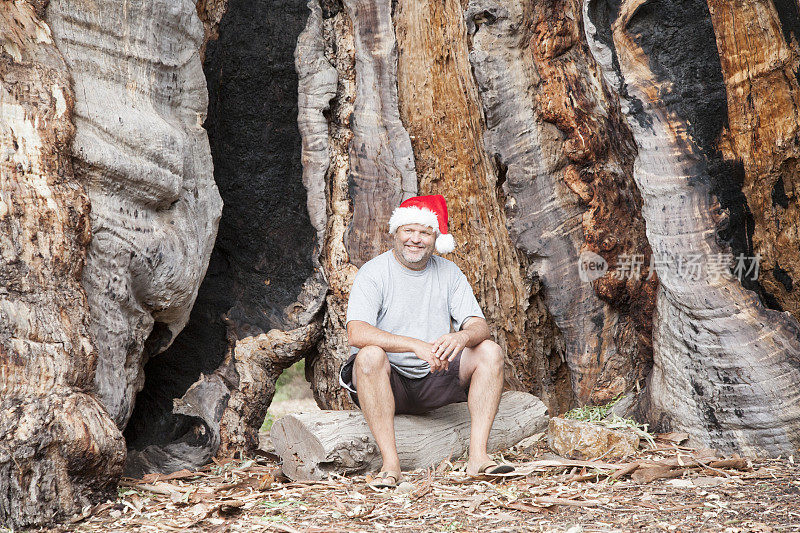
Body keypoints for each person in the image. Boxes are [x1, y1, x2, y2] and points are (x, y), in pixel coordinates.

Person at [339, 194, 513, 488]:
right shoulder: (374, 273)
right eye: (409, 230)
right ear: (396, 232)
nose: (415, 239)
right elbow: (357, 332)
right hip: (388, 382)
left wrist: (462, 335)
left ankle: (478, 458)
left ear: (436, 238)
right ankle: (391, 465)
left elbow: (478, 325)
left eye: (425, 232)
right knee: (368, 355)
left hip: (436, 377)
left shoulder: (449, 273)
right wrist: (414, 344)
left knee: (490, 351)